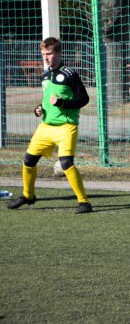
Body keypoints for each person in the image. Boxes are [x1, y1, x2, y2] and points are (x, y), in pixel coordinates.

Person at [7, 37, 92, 213]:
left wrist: (62, 103)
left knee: (66, 163)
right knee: (28, 161)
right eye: (44, 54)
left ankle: (84, 202)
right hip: (45, 126)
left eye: (50, 53)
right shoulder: (45, 75)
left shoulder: (69, 74)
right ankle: (28, 195)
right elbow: (47, 100)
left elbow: (84, 98)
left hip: (66, 126)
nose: (46, 58)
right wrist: (39, 109)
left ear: (58, 53)